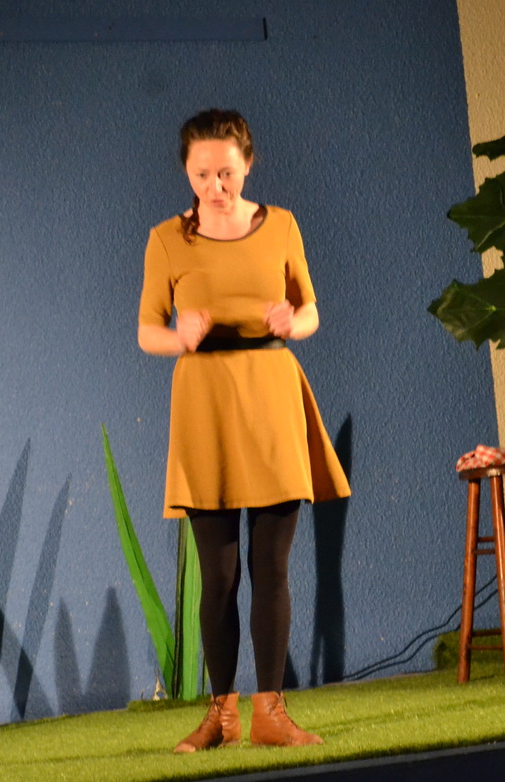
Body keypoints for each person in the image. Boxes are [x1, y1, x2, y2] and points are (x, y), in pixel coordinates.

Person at [137, 109, 350, 752]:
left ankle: (271, 713)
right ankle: (221, 715)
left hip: (270, 394)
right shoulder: (166, 239)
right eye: (202, 174)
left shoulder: (281, 225)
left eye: (226, 172)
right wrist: (179, 335)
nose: (215, 186)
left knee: (271, 567)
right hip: (205, 401)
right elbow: (146, 330)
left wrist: (292, 322)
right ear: (186, 172)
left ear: (248, 165)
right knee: (220, 573)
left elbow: (310, 310)